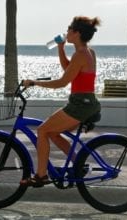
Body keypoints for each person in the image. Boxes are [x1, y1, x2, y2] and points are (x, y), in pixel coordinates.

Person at [20, 16, 102, 187]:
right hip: (86, 103)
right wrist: (60, 48)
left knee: (42, 131)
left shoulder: (81, 54)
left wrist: (34, 82)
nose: (67, 32)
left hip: (80, 105)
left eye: (69, 29)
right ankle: (78, 164)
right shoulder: (87, 52)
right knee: (51, 132)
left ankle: (41, 175)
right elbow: (69, 70)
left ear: (76, 33)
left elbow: (62, 82)